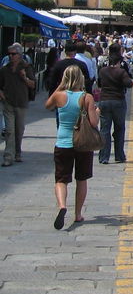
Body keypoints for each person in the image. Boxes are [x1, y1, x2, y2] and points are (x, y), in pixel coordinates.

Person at [46, 65, 98, 229]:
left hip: (63, 143)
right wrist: (96, 110)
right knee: (81, 179)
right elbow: (94, 122)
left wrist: (60, 88)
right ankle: (78, 215)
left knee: (61, 180)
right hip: (82, 144)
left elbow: (47, 106)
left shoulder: (59, 96)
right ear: (81, 78)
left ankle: (62, 206)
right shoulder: (86, 97)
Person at [96, 44, 133, 164]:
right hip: (118, 101)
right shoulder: (121, 71)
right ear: (118, 61)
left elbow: (99, 84)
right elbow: (129, 83)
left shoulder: (102, 70)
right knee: (119, 128)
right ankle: (119, 156)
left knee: (104, 129)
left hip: (104, 101)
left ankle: (104, 157)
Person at [0, 43, 36, 166]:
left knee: (19, 130)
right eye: (9, 54)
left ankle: (18, 153)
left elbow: (33, 84)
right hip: (8, 103)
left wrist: (24, 77)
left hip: (21, 102)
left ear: (19, 55)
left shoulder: (26, 67)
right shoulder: (4, 69)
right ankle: (8, 157)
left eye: (13, 54)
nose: (10, 56)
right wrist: (2, 94)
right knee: (9, 130)